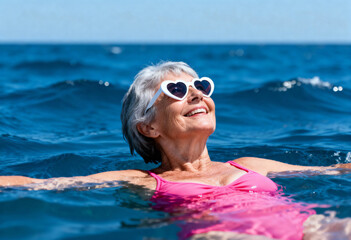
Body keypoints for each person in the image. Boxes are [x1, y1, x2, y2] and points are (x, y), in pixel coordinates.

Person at [1, 61, 350, 239]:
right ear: (148, 126)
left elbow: (338, 173)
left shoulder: (248, 165)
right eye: (176, 88)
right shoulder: (146, 181)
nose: (196, 94)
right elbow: (46, 186)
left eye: (200, 85)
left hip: (311, 228)